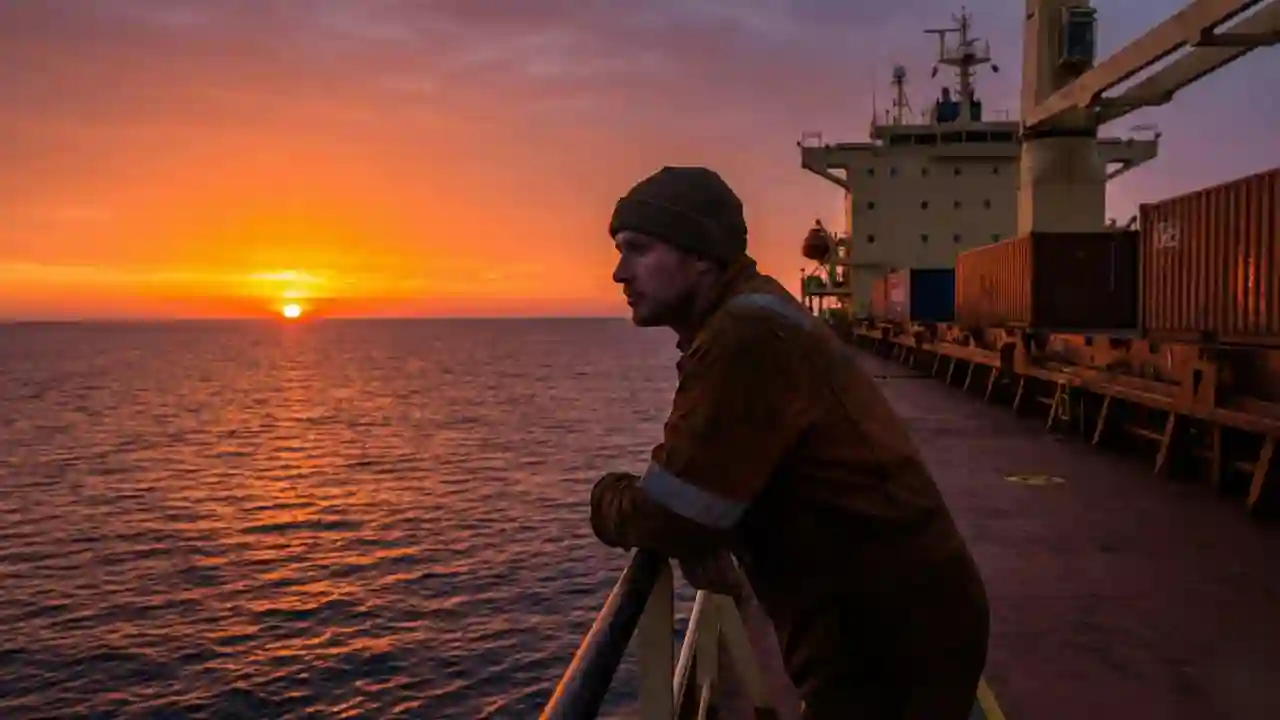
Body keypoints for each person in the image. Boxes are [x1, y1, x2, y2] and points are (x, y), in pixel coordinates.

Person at [589, 165, 991, 719]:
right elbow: (711, 490)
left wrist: (606, 498)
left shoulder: (743, 339)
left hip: (885, 644)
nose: (618, 273)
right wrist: (705, 526)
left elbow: (672, 516)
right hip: (902, 623)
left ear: (701, 255)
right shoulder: (756, 316)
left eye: (637, 249)